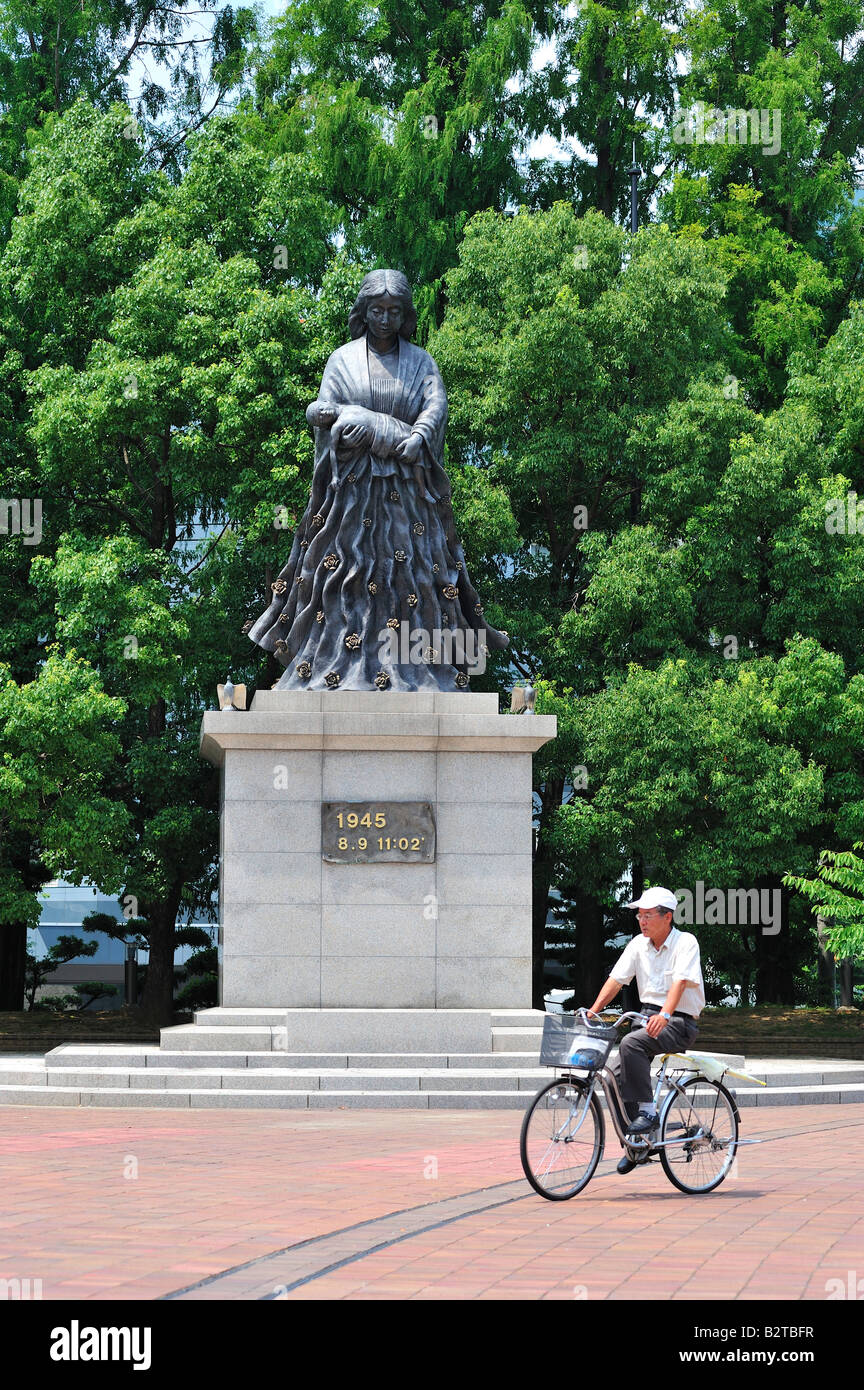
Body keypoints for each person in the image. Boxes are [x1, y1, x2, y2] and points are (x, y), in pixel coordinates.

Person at [246, 268, 508, 690]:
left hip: (406, 492)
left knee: (413, 577)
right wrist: (320, 414)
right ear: (363, 312)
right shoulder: (342, 359)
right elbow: (323, 408)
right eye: (377, 309)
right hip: (352, 494)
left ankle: (420, 668)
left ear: (404, 314)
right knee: (343, 575)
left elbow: (435, 404)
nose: (385, 318)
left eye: (393, 310)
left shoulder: (421, 361)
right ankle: (333, 665)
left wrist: (420, 435)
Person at [585, 886, 704, 1175]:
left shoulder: (685, 942)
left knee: (630, 1044)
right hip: (646, 1017)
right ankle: (637, 1142)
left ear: (668, 917)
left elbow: (679, 983)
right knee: (611, 1074)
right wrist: (593, 1010)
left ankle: (648, 1113)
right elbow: (616, 980)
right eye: (640, 915)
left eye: (649, 915)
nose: (642, 921)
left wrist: (665, 1014)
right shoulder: (638, 944)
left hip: (679, 1021)